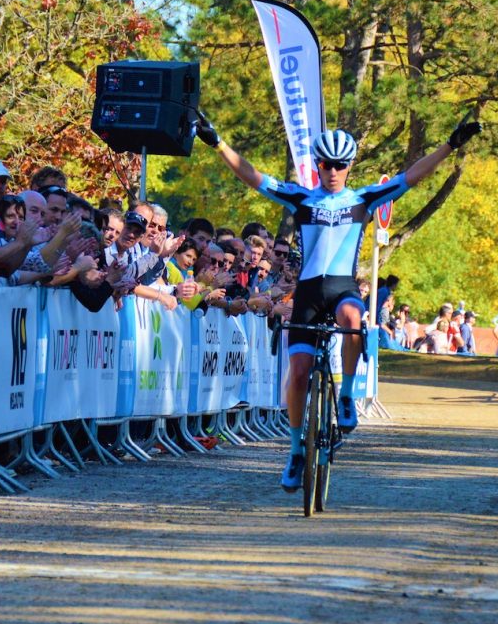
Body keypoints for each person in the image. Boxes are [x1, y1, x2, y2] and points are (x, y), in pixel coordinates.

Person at [197, 110, 480, 490]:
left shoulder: (364, 198)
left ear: (349, 167)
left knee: (352, 317)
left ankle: (345, 395)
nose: (333, 172)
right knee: (297, 373)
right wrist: (218, 144)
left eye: (340, 165)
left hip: (343, 287)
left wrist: (450, 144)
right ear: (317, 165)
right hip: (309, 293)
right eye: (327, 165)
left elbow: (414, 176)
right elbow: (253, 176)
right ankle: (296, 450)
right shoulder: (301, 198)